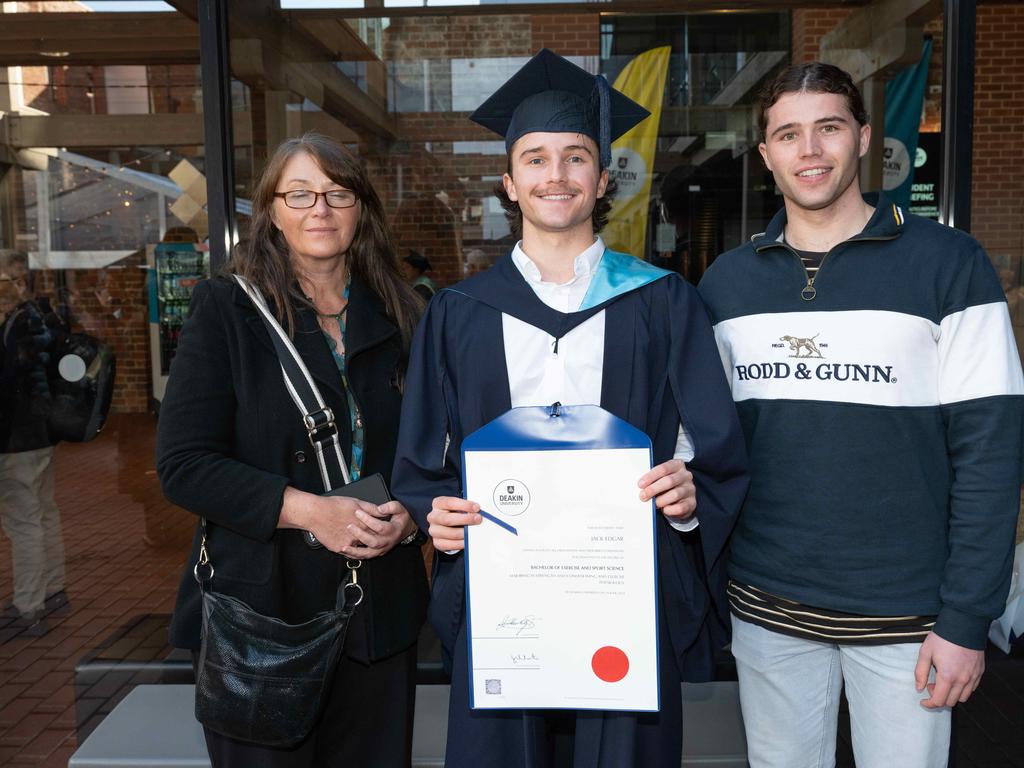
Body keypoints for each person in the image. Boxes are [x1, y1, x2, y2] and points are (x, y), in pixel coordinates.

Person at [391, 49, 749, 767]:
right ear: (509, 183)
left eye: (575, 157)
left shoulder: (663, 302)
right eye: (535, 159)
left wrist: (684, 497)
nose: (556, 175)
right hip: (503, 593)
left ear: (604, 178)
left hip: (623, 591)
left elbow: (714, 453)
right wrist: (441, 514)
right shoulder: (458, 314)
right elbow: (422, 460)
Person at [697, 62, 1024, 768]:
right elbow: (708, 447)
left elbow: (991, 454)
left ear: (864, 138)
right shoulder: (726, 284)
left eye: (829, 129)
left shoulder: (949, 265)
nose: (809, 150)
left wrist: (968, 619)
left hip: (910, 621)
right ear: (766, 155)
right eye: (788, 134)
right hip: (768, 610)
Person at [156, 132, 429, 767]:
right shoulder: (227, 309)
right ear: (272, 209)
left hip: (377, 607)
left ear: (361, 207)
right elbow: (183, 465)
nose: (320, 209)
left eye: (338, 193)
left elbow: (432, 448)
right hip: (263, 617)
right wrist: (311, 512)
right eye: (299, 193)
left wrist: (412, 513)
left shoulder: (406, 314)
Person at [0, 249, 68, 638]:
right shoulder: (38, 317)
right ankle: (54, 589)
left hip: (16, 438)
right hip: (40, 431)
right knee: (42, 511)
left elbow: (10, 382)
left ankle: (28, 604)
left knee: (24, 519)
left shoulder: (15, 325)